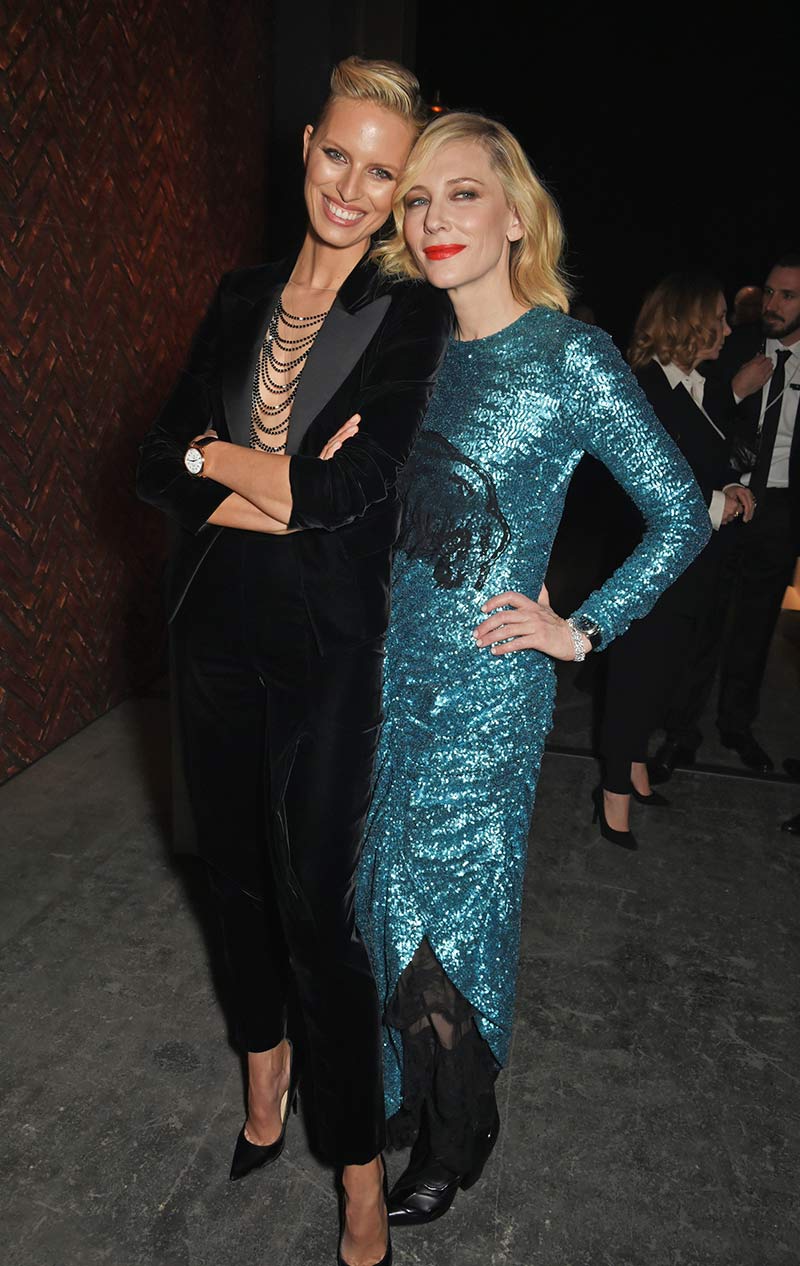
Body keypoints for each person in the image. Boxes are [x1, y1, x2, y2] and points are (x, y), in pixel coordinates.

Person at [349, 112, 710, 1227]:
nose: (434, 217)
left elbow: (680, 512)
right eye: (418, 198)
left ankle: (459, 1127)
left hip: (487, 686)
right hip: (380, 678)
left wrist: (582, 628)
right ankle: (410, 1087)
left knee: (451, 913)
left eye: (462, 193)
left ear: (516, 218)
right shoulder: (405, 349)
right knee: (380, 896)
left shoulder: (568, 356)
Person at [136, 57, 452, 1266]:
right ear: (305, 147)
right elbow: (153, 465)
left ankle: (356, 1167)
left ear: (398, 190)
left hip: (325, 651)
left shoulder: (407, 313)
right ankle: (260, 1063)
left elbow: (352, 491)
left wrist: (217, 461)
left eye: (381, 173)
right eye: (336, 155)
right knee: (230, 876)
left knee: (318, 910)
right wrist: (259, 477)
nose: (350, 188)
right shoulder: (239, 294)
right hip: (209, 630)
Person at [598, 274, 755, 842]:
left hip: (689, 560)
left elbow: (706, 459)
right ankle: (613, 789)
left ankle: (635, 763)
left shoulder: (699, 385)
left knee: (664, 670)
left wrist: (731, 486)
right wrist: (716, 503)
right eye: (720, 317)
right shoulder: (640, 386)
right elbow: (635, 483)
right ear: (688, 322)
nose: (728, 329)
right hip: (648, 559)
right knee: (638, 671)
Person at [654, 253, 800, 776]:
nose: (773, 304)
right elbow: (691, 413)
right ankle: (680, 731)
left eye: (788, 296)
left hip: (780, 507)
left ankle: (737, 726)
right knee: (704, 619)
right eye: (770, 291)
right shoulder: (733, 346)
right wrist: (736, 389)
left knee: (756, 627)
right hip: (724, 500)